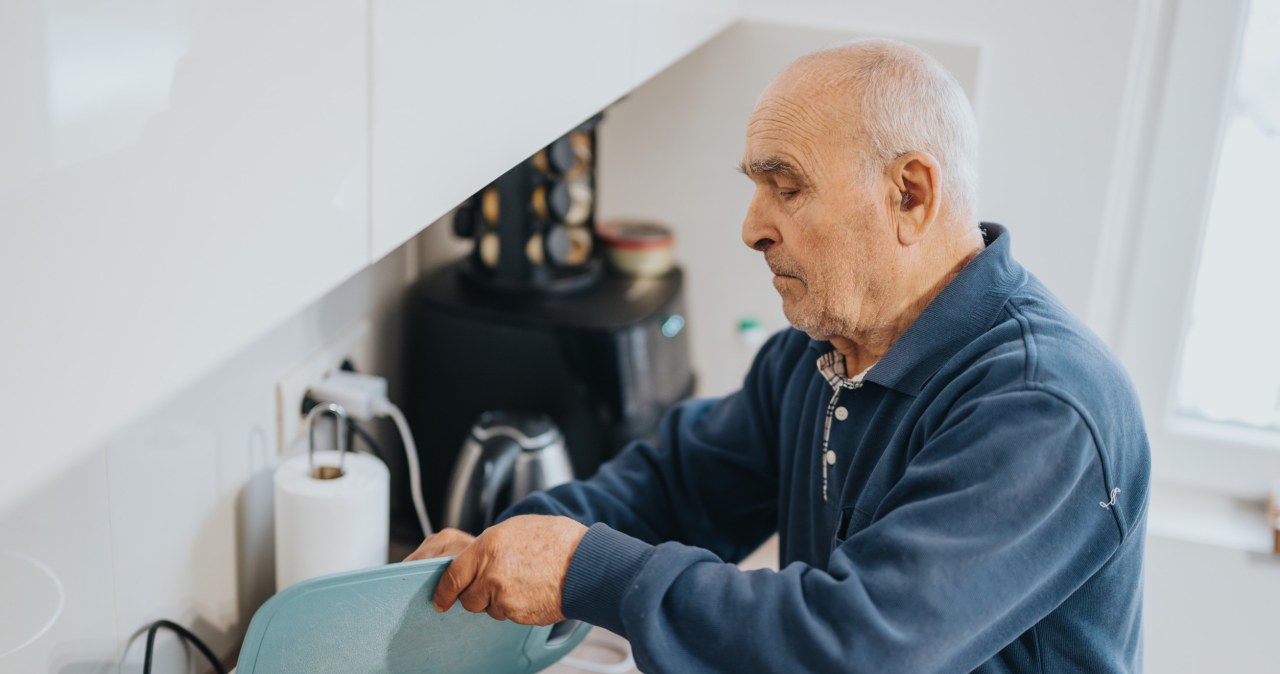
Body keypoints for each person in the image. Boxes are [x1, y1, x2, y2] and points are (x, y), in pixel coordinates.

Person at [407, 38, 1149, 673]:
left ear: (910, 195)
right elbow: (675, 489)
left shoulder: (1043, 406)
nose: (753, 228)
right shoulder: (821, 356)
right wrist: (505, 544)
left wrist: (580, 568)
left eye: (786, 188)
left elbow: (853, 645)